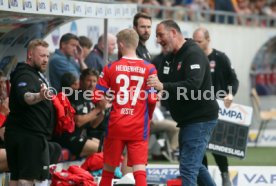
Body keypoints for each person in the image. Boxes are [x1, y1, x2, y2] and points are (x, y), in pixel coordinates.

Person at [147, 20, 219, 186]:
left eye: (160, 35)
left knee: (188, 167)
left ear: (173, 33)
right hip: (187, 120)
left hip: (200, 119)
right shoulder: (167, 58)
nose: (157, 40)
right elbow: (160, 81)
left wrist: (163, 86)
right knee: (194, 166)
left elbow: (194, 84)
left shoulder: (193, 53)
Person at [94, 28, 157, 186]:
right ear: (136, 44)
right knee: (139, 171)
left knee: (108, 171)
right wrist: (148, 116)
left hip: (116, 124)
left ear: (121, 45)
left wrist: (106, 102)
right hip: (138, 125)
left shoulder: (110, 67)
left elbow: (96, 96)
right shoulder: (149, 68)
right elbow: (152, 99)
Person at [4, 39, 61, 186]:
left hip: (20, 133)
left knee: (16, 179)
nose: (46, 60)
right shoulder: (25, 75)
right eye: (42, 56)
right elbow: (26, 97)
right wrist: (40, 96)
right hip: (29, 135)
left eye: (47, 56)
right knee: (26, 180)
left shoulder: (31, 74)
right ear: (30, 55)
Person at [193, 27, 239, 186]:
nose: (196, 44)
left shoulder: (220, 57)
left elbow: (233, 80)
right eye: (194, 41)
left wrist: (230, 94)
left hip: (217, 107)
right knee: (199, 147)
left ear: (208, 40)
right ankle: (203, 180)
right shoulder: (191, 58)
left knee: (217, 144)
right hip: (196, 108)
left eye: (199, 41)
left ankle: (225, 175)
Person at [54, 70, 104, 158]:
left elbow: (93, 125)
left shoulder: (89, 98)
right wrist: (97, 109)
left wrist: (102, 111)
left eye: (94, 81)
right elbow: (78, 121)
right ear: (81, 81)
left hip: (80, 136)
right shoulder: (74, 96)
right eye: (89, 80)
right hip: (68, 137)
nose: (91, 84)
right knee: (101, 148)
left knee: (105, 145)